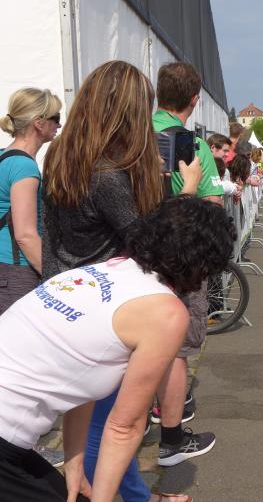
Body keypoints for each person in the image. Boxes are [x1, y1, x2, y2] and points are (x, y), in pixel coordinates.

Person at [0, 195, 233, 502]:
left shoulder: (99, 272)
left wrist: (74, 463)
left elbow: (82, 377)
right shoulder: (166, 313)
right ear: (203, 264)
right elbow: (125, 427)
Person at [42, 60, 201, 502]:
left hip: (68, 293)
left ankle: (124, 492)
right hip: (107, 304)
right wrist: (186, 191)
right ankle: (128, 496)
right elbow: (150, 243)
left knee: (91, 415)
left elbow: (54, 234)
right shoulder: (109, 175)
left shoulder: (61, 157)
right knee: (113, 421)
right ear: (129, 112)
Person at [150, 62, 224, 468]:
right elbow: (211, 204)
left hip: (133, 251)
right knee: (175, 348)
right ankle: (172, 440)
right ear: (194, 100)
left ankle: (142, 411)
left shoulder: (135, 134)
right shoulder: (193, 145)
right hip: (181, 257)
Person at [0, 88, 61, 313]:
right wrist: (56, 278)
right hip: (17, 270)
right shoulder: (24, 167)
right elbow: (25, 235)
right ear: (39, 123)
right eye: (56, 118)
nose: (59, 125)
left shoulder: (3, 156)